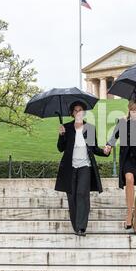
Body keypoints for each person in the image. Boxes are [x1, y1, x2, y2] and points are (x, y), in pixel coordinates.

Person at [55, 101, 110, 236]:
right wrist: (61, 135)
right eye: (75, 110)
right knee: (72, 195)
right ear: (72, 113)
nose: (78, 112)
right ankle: (76, 226)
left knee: (82, 194)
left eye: (80, 110)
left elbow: (94, 148)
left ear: (84, 112)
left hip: (85, 166)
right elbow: (60, 148)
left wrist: (104, 151)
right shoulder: (66, 128)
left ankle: (81, 227)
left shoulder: (89, 128)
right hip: (70, 167)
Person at [105, 99, 136, 235]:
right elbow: (113, 137)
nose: (135, 114)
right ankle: (129, 213)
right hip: (128, 157)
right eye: (133, 111)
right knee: (129, 179)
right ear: (129, 110)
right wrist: (108, 145)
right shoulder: (122, 122)